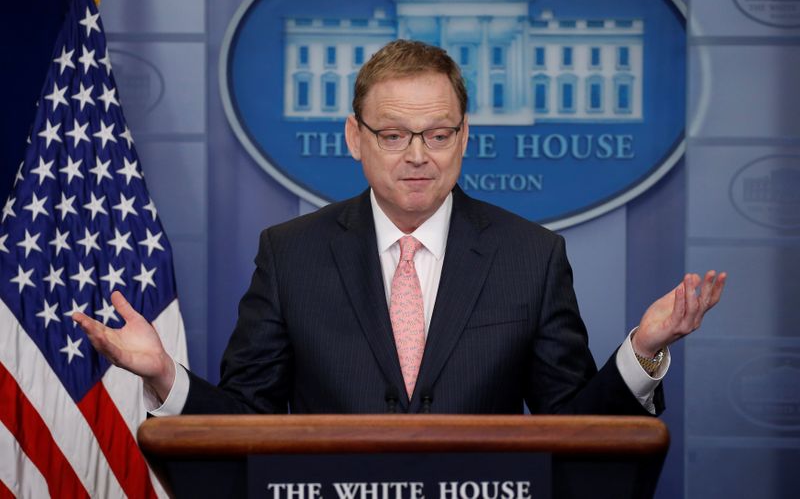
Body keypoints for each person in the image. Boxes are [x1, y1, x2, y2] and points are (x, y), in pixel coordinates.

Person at [74, 40, 726, 415]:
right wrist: (165, 375)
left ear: (464, 136)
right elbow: (249, 421)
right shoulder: (291, 255)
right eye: (393, 134)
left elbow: (575, 429)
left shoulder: (532, 256)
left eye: (438, 133)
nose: (418, 154)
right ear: (355, 138)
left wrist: (641, 351)